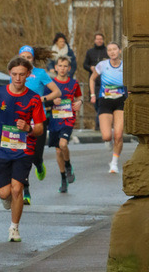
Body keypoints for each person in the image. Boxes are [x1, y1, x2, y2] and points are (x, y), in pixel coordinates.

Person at [0, 56, 46, 243]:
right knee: (5, 193)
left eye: (22, 74)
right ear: (10, 74)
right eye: (14, 74)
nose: (18, 78)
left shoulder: (33, 98)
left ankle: (14, 228)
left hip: (24, 150)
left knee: (17, 189)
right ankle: (9, 202)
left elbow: (41, 128)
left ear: (28, 75)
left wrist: (28, 128)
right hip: (1, 148)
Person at [17, 44, 62, 204]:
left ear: (33, 59)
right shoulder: (15, 74)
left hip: (38, 119)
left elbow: (57, 92)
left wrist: (41, 99)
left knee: (35, 155)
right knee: (23, 155)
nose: (26, 60)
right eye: (23, 57)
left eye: (29, 57)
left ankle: (40, 164)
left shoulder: (40, 73)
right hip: (20, 119)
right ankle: (26, 191)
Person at [90, 42, 126, 173]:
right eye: (109, 50)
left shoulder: (125, 65)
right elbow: (92, 79)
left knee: (118, 134)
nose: (112, 52)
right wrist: (93, 94)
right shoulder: (102, 65)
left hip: (120, 101)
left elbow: (132, 80)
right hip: (105, 100)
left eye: (114, 49)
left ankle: (114, 163)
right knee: (106, 136)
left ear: (119, 51)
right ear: (107, 53)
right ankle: (108, 140)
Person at [49, 56, 82, 192]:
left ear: (69, 68)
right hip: (54, 120)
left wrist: (80, 102)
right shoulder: (50, 84)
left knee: (63, 144)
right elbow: (44, 101)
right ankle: (63, 178)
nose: (62, 68)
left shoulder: (74, 83)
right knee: (58, 150)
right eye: (60, 66)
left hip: (68, 119)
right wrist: (52, 102)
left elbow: (79, 97)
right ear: (56, 67)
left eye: (65, 66)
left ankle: (68, 165)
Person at [82, 32, 108, 129]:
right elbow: (84, 65)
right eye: (97, 39)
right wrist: (91, 68)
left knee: (103, 101)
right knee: (96, 102)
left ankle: (99, 123)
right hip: (93, 80)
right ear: (94, 40)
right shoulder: (90, 52)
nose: (99, 41)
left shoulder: (107, 51)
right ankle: (99, 119)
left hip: (105, 81)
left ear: (103, 40)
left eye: (100, 39)